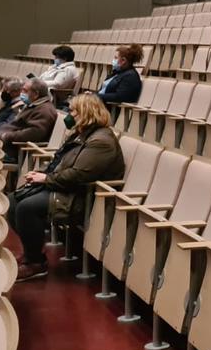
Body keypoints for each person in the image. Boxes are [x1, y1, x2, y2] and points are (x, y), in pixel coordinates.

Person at [9, 93, 124, 282]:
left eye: (73, 111)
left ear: (86, 112)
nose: (69, 115)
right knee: (13, 200)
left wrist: (45, 178)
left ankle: (35, 263)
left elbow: (79, 175)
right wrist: (43, 175)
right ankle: (33, 253)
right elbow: (61, 164)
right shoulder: (81, 134)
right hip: (65, 187)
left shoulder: (101, 141)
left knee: (26, 207)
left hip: (83, 196)